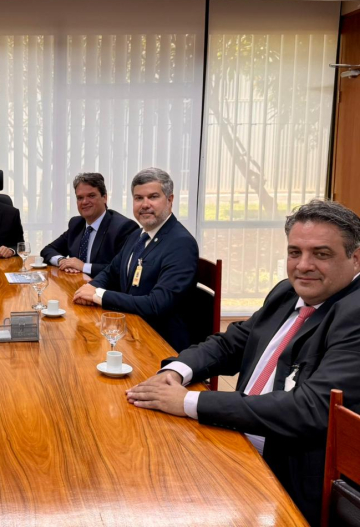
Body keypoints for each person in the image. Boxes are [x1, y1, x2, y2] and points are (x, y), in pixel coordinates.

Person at [126, 199, 360, 526]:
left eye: (321, 254)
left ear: (355, 257)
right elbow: (231, 343)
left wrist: (190, 402)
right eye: (295, 252)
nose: (303, 265)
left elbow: (308, 409)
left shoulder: (354, 314)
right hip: (234, 440)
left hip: (288, 478)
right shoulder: (287, 292)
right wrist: (176, 372)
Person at [73, 168, 198, 352]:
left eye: (153, 197)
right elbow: (111, 271)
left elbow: (156, 304)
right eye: (138, 198)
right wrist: (91, 287)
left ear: (170, 200)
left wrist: (99, 295)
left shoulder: (181, 243)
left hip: (160, 345)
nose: (145, 204)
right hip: (131, 331)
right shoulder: (138, 235)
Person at [40, 173, 138, 277]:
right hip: (75, 284)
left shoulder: (123, 227)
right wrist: (62, 261)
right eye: (80, 198)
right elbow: (47, 250)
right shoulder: (76, 224)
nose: (84, 202)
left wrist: (83, 267)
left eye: (91, 196)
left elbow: (122, 269)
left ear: (104, 197)